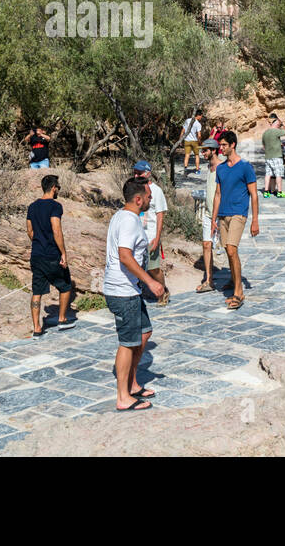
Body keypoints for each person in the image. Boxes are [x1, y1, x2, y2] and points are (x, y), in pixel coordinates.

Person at [103, 178, 165, 412]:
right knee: (128, 343)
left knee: (145, 332)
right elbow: (125, 256)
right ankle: (123, 396)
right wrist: (150, 281)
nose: (151, 199)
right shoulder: (128, 221)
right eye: (149, 196)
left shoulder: (122, 216)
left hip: (130, 290)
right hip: (122, 291)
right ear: (138, 199)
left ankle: (132, 382)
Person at [213, 131, 260, 310]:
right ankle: (234, 279)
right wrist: (214, 219)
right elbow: (218, 194)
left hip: (239, 213)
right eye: (220, 145)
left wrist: (255, 220)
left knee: (232, 249)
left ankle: (239, 292)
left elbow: (254, 195)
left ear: (233, 145)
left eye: (224, 145)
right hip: (223, 214)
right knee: (228, 250)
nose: (221, 148)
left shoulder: (246, 167)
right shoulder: (221, 168)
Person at [27, 174, 74, 335]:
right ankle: (61, 319)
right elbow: (56, 230)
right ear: (53, 188)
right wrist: (63, 253)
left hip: (37, 255)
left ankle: (37, 328)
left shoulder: (32, 207)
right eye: (58, 187)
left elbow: (30, 231)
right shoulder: (55, 206)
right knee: (66, 285)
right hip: (52, 254)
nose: (58, 190)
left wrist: (40, 241)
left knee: (37, 292)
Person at [133, 160, 170, 306]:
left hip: (151, 236)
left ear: (148, 174)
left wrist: (157, 237)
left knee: (153, 268)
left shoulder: (157, 191)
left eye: (139, 173)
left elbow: (160, 215)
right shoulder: (133, 189)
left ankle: (163, 293)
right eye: (135, 172)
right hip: (136, 235)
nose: (136, 175)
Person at [197, 138, 224, 292]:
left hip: (221, 214)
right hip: (208, 213)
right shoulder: (209, 167)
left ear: (214, 150)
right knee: (206, 244)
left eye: (205, 150)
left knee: (228, 247)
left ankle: (234, 278)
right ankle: (209, 280)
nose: (203, 153)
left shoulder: (223, 167)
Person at [261, 113, 285, 198]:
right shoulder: (276, 131)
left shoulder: (265, 133)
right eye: (279, 124)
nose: (279, 125)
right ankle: (279, 192)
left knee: (268, 174)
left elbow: (264, 147)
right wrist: (283, 123)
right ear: (276, 124)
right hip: (277, 156)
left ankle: (266, 192)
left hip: (268, 156)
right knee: (278, 174)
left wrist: (276, 145)